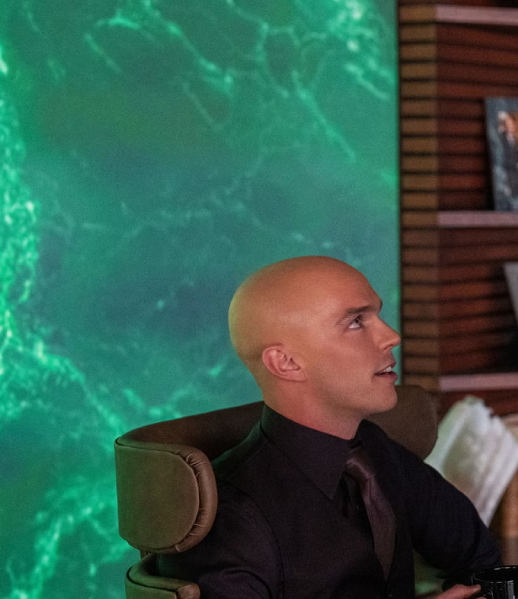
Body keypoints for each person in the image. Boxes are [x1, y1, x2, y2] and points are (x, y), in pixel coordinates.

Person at [158, 256, 500, 599]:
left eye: (377, 316)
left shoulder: (375, 451)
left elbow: (483, 563)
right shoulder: (231, 518)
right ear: (286, 362)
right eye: (355, 322)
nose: (391, 336)